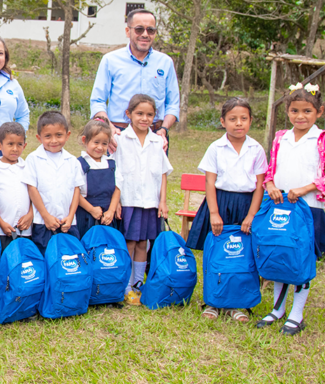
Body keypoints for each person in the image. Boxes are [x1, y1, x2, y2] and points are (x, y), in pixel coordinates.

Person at [256, 83, 325, 335]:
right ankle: (277, 309)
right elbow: (271, 171)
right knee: (279, 254)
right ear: (287, 111)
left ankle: (297, 314)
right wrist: (271, 185)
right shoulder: (280, 138)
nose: (300, 116)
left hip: (308, 209)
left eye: (307, 111)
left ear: (319, 111)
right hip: (280, 207)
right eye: (295, 111)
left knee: (301, 258)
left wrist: (306, 188)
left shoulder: (324, 139)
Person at [186, 98, 267, 322]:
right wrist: (214, 213)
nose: (238, 123)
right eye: (232, 119)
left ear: (250, 121)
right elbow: (210, 182)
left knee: (242, 256)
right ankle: (212, 302)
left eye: (243, 118)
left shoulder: (256, 149)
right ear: (223, 121)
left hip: (246, 206)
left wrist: (251, 215)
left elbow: (260, 185)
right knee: (217, 254)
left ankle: (238, 304)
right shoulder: (216, 147)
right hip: (219, 204)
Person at [89, 9, 179, 153]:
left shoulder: (165, 62)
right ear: (127, 31)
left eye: (150, 30)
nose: (145, 34)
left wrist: (163, 129)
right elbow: (97, 101)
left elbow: (173, 104)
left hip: (155, 135)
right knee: (116, 176)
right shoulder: (110, 60)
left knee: (155, 176)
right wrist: (109, 129)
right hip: (118, 135)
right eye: (139, 29)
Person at [113, 94, 173, 306]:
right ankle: (125, 286)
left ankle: (138, 284)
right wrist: (116, 201)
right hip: (129, 200)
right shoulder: (120, 140)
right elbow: (115, 173)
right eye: (139, 113)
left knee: (144, 244)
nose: (144, 118)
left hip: (150, 202)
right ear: (128, 114)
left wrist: (163, 201)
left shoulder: (158, 142)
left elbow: (163, 174)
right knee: (129, 242)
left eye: (149, 114)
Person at [22, 111, 84, 253]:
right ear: (39, 137)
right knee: (46, 259)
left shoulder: (72, 161)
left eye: (59, 135)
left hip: (67, 223)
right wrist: (46, 216)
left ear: (67, 135)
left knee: (69, 261)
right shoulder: (33, 159)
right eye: (48, 136)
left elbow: (76, 190)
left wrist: (70, 216)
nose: (54, 140)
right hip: (43, 223)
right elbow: (32, 189)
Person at [75, 116, 122, 237]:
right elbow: (75, 193)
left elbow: (117, 188)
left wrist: (111, 211)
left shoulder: (111, 164)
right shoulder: (79, 164)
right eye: (96, 142)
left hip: (107, 216)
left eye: (104, 143)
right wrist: (91, 210)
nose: (100, 147)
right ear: (85, 140)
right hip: (86, 215)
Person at [0, 122, 32, 250]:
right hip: (2, 230)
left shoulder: (28, 167)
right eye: (10, 144)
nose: (15, 149)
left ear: (24, 146)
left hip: (25, 230)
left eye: (19, 144)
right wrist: (1, 223)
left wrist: (31, 215)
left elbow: (35, 195)